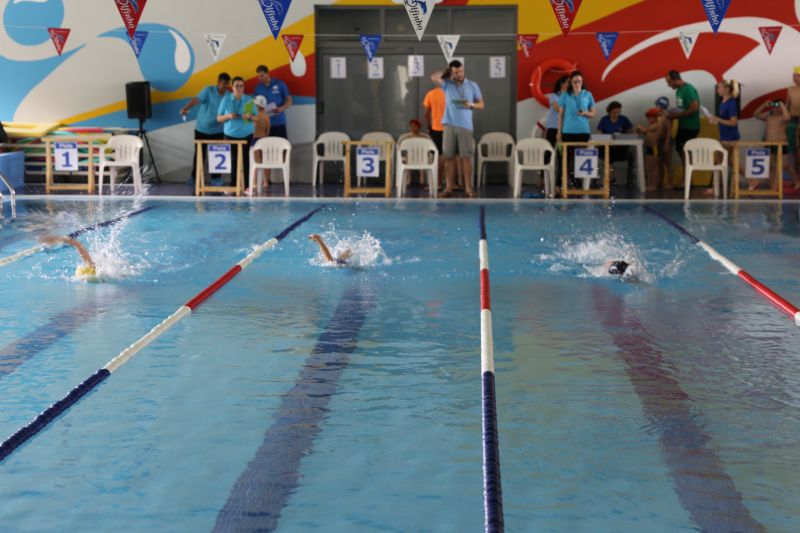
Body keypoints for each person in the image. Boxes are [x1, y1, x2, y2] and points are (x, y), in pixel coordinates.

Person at [431, 59, 484, 198]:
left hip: (465, 126)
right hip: (448, 124)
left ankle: (468, 188)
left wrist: (471, 105)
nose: (459, 74)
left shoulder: (472, 85)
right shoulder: (447, 84)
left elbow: (482, 104)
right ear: (452, 72)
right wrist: (447, 71)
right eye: (456, 72)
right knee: (449, 157)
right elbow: (434, 77)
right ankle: (448, 188)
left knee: (465, 157)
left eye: (461, 71)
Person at [180, 72, 230, 185]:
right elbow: (196, 100)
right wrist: (185, 108)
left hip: (218, 131)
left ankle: (216, 179)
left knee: (217, 155)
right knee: (199, 155)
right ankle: (194, 177)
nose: (225, 86)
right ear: (218, 82)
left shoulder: (228, 96)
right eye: (223, 83)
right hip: (201, 129)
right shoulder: (208, 90)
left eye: (227, 84)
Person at [558, 70, 596, 183]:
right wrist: (559, 131)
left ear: (582, 81)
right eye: (574, 82)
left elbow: (593, 114)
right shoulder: (565, 95)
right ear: (571, 82)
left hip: (583, 131)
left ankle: (580, 183)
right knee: (565, 159)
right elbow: (560, 115)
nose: (577, 84)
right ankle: (563, 183)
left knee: (581, 158)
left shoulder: (588, 94)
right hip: (568, 131)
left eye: (579, 81)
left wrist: (585, 113)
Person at [217, 76, 254, 192]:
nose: (239, 88)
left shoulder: (249, 100)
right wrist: (228, 116)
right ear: (232, 87)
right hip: (230, 134)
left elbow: (257, 118)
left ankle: (247, 186)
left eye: (241, 86)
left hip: (246, 134)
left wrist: (250, 117)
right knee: (233, 160)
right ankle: (233, 185)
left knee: (245, 160)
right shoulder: (226, 100)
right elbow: (218, 118)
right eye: (236, 86)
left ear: (244, 87)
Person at [754, 98, 797, 190]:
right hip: (770, 144)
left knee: (783, 165)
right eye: (773, 106)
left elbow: (787, 117)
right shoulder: (768, 116)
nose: (775, 108)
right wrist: (764, 105)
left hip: (781, 143)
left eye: (777, 106)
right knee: (773, 165)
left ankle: (793, 182)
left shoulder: (783, 116)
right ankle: (773, 183)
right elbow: (756, 115)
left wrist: (781, 105)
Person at [708, 79, 742, 191]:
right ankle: (752, 180)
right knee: (729, 161)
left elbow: (733, 122)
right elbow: (723, 120)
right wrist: (715, 120)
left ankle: (715, 187)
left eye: (720, 87)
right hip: (724, 136)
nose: (717, 89)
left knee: (722, 161)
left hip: (730, 137)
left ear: (727, 89)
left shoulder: (731, 103)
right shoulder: (723, 102)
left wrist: (718, 119)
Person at [665, 70, 700, 170]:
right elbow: (683, 108)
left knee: (685, 152)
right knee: (681, 151)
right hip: (683, 126)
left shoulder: (688, 89)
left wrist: (678, 115)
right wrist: (674, 113)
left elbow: (694, 108)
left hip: (691, 126)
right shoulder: (678, 91)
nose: (668, 85)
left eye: (669, 83)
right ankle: (688, 178)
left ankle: (688, 178)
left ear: (675, 80)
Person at [254, 65, 292, 139]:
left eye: (262, 75)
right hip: (264, 124)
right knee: (266, 148)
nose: (260, 78)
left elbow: (289, 101)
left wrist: (280, 109)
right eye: (259, 76)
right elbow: (256, 104)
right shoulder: (258, 88)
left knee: (281, 146)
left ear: (268, 73)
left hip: (279, 122)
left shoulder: (280, 84)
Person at [423, 84, 447, 185]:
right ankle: (452, 183)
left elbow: (427, 114)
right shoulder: (451, 93)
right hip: (451, 128)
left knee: (438, 156)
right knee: (451, 157)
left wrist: (429, 127)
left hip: (436, 128)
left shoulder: (430, 94)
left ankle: (438, 183)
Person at [635, 108, 663, 191]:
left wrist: (640, 127)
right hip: (648, 148)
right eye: (648, 118)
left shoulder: (657, 124)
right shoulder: (651, 125)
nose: (648, 119)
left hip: (654, 148)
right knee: (649, 167)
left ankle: (654, 185)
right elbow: (646, 132)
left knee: (654, 167)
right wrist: (639, 131)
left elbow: (646, 130)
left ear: (656, 118)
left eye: (650, 118)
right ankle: (650, 184)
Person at [544, 76, 569, 169]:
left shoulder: (571, 96)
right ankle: (542, 178)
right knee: (548, 152)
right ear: (562, 84)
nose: (570, 84)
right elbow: (558, 109)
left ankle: (560, 180)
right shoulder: (554, 96)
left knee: (562, 154)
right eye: (568, 82)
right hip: (553, 127)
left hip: (565, 128)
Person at [250, 95, 271, 195]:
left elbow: (251, 129)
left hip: (255, 140)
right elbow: (268, 130)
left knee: (255, 162)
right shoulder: (266, 116)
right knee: (265, 161)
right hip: (264, 139)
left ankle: (254, 183)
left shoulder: (254, 116)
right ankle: (266, 181)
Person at [654, 96, 674, 187]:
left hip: (667, 141)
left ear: (661, 106)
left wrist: (666, 144)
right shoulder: (658, 116)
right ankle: (660, 181)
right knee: (659, 162)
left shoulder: (667, 117)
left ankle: (671, 181)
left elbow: (669, 132)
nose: (655, 107)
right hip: (660, 141)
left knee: (667, 162)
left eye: (657, 105)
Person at [785, 66, 800, 182]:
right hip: (793, 121)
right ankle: (797, 179)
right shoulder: (790, 90)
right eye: (794, 75)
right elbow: (787, 106)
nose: (795, 78)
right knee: (793, 150)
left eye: (797, 75)